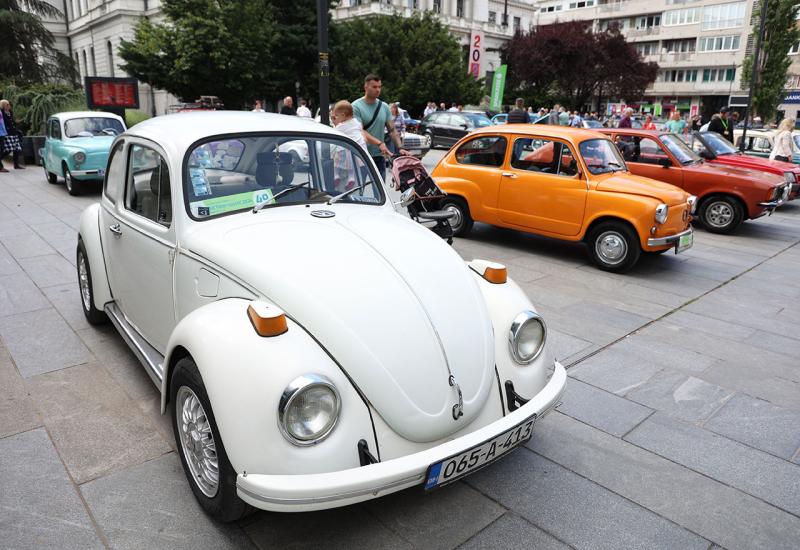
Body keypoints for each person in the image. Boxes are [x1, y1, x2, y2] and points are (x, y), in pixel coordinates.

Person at [352, 74, 409, 178]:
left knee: (380, 191)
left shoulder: (384, 106)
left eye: (379, 87)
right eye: (374, 87)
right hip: (361, 154)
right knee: (359, 191)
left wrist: (400, 148)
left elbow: (392, 130)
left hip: (379, 156)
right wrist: (379, 143)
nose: (378, 90)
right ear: (365, 87)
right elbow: (360, 130)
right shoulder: (356, 106)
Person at [0, 100, 24, 170]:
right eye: (7, 105)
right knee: (8, 149)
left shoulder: (10, 112)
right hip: (7, 133)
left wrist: (17, 123)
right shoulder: (2, 112)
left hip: (14, 132)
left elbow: (12, 122)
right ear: (3, 105)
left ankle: (16, 165)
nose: (9, 106)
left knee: (16, 149)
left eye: (9, 104)